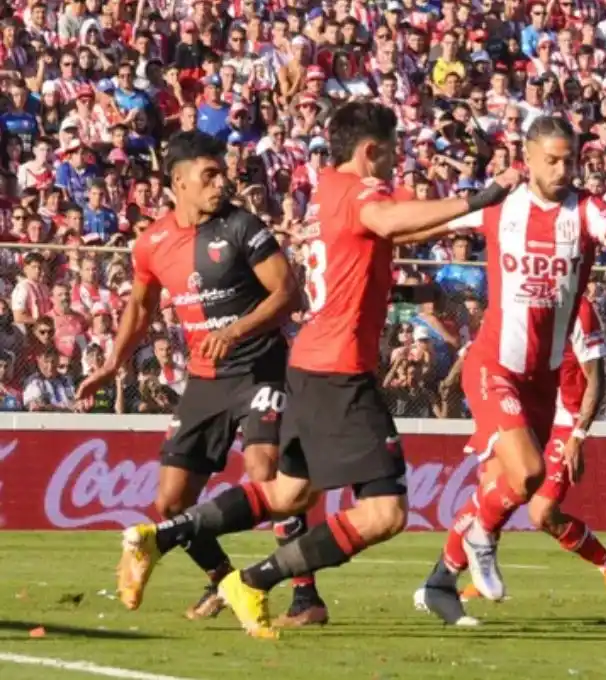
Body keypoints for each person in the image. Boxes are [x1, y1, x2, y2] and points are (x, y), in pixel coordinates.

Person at [111, 101, 518, 639]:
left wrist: (474, 216)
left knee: (285, 494)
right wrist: (484, 194)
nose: (396, 165)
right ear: (371, 152)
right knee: (384, 513)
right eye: (392, 154)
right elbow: (390, 218)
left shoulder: (329, 188)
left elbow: (398, 227)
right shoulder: (362, 195)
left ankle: (161, 539)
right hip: (339, 371)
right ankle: (253, 581)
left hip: (302, 364)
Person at [75, 131, 326, 625]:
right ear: (179, 183)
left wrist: (234, 330)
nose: (221, 182)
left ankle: (305, 596)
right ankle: (223, 580)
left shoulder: (242, 227)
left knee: (264, 470)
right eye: (208, 175)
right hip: (206, 379)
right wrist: (111, 364)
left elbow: (287, 294)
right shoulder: (152, 244)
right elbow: (139, 310)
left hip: (260, 367)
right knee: (169, 501)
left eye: (221, 172)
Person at [419, 116, 606, 606]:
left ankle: (440, 580)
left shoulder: (585, 211)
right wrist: (381, 233)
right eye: (552, 160)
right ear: (528, 158)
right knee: (529, 473)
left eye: (570, 160)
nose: (562, 169)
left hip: (544, 379)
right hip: (494, 364)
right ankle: (480, 542)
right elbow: (435, 220)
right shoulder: (501, 203)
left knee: (511, 484)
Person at [416, 296, 606, 625]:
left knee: (541, 511)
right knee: (491, 487)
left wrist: (579, 435)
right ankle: (442, 580)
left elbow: (596, 378)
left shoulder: (579, 308)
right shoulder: (518, 294)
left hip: (564, 419)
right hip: (517, 403)